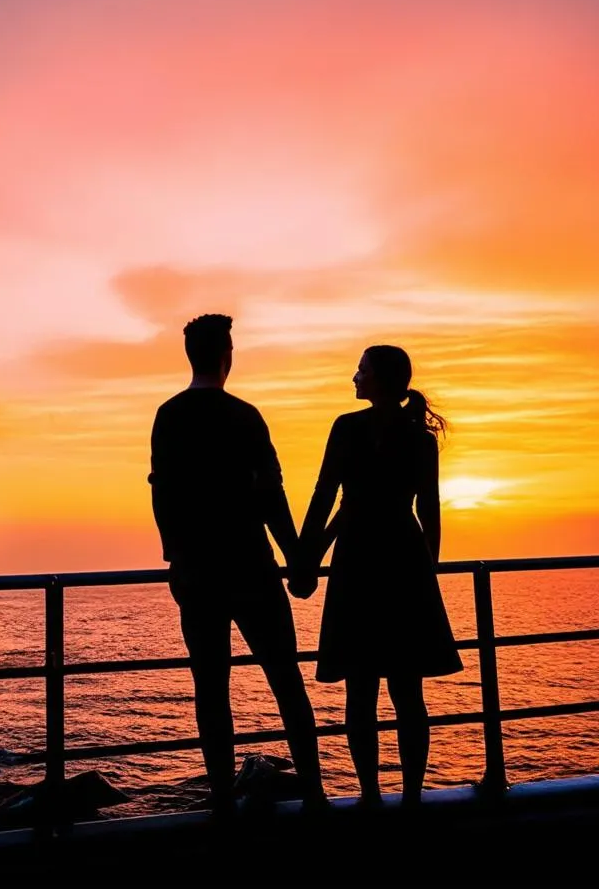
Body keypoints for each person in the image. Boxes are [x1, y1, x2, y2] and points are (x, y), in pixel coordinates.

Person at [148, 313, 326, 816]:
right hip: (251, 566)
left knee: (211, 686)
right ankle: (314, 792)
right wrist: (296, 559)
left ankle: (222, 797)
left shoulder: (169, 416)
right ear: (227, 355)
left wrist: (174, 555)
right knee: (285, 680)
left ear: (192, 356)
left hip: (198, 571)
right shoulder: (246, 417)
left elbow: (164, 495)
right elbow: (272, 495)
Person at [297, 344, 463, 808]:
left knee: (361, 688)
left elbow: (324, 494)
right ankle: (411, 797)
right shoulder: (420, 438)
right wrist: (427, 572)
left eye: (361, 371)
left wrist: (304, 555)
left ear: (378, 380)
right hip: (404, 560)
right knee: (407, 690)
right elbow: (428, 510)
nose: (354, 377)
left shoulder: (346, 428)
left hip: (358, 561)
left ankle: (370, 795)